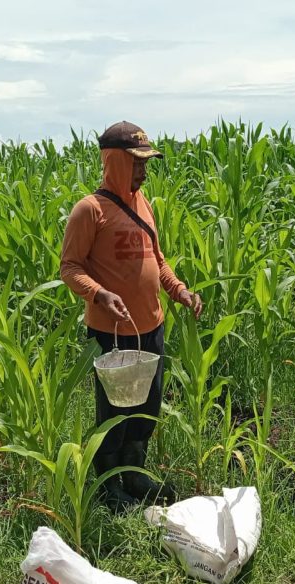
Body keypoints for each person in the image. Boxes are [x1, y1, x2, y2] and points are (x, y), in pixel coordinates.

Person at [60, 121, 203, 512]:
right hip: (112, 333)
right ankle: (108, 487)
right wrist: (99, 293)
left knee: (148, 406)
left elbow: (157, 259)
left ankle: (135, 475)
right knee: (114, 413)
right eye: (136, 162)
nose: (143, 171)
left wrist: (179, 291)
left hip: (151, 327)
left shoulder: (143, 205)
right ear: (114, 161)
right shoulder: (89, 211)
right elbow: (69, 267)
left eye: (146, 163)